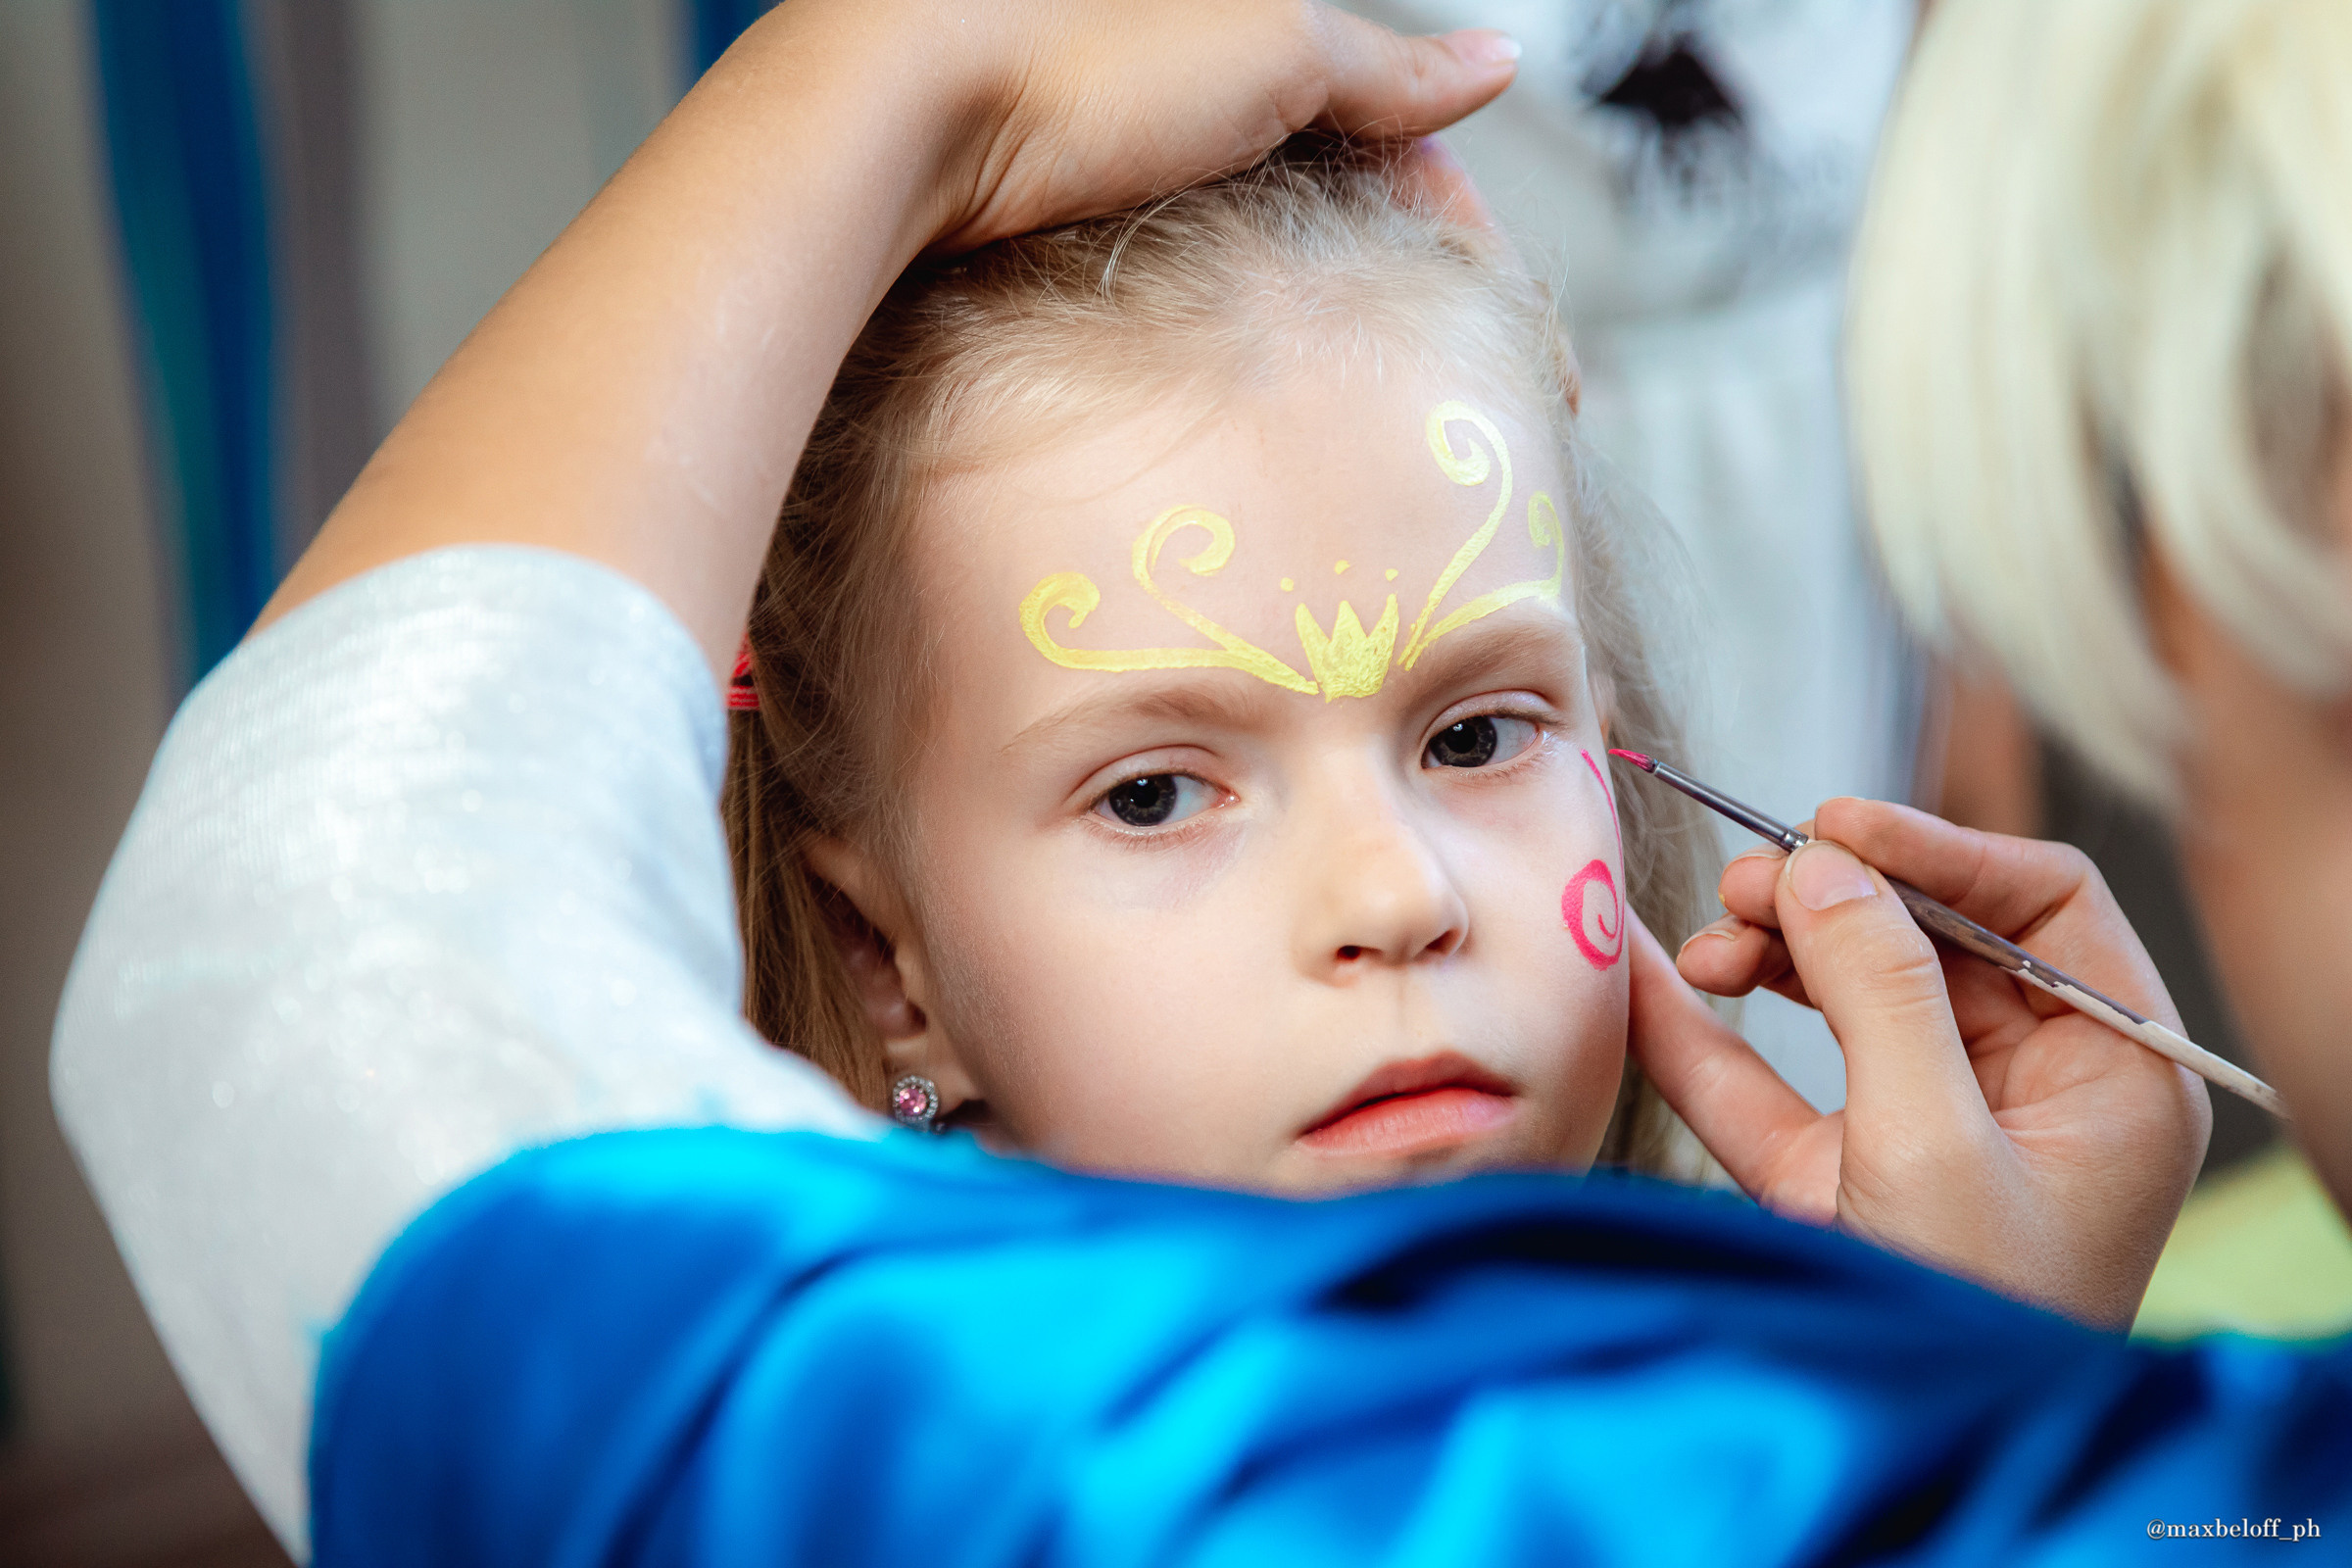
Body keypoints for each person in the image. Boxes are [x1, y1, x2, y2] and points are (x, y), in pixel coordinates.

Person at [48, 0, 2333, 1561]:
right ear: (879, 951)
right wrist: (1972, 1396)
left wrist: (897, 61)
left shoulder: (997, 1464)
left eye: (1473, 731)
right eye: (1154, 792)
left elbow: (315, 966)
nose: (1394, 888)